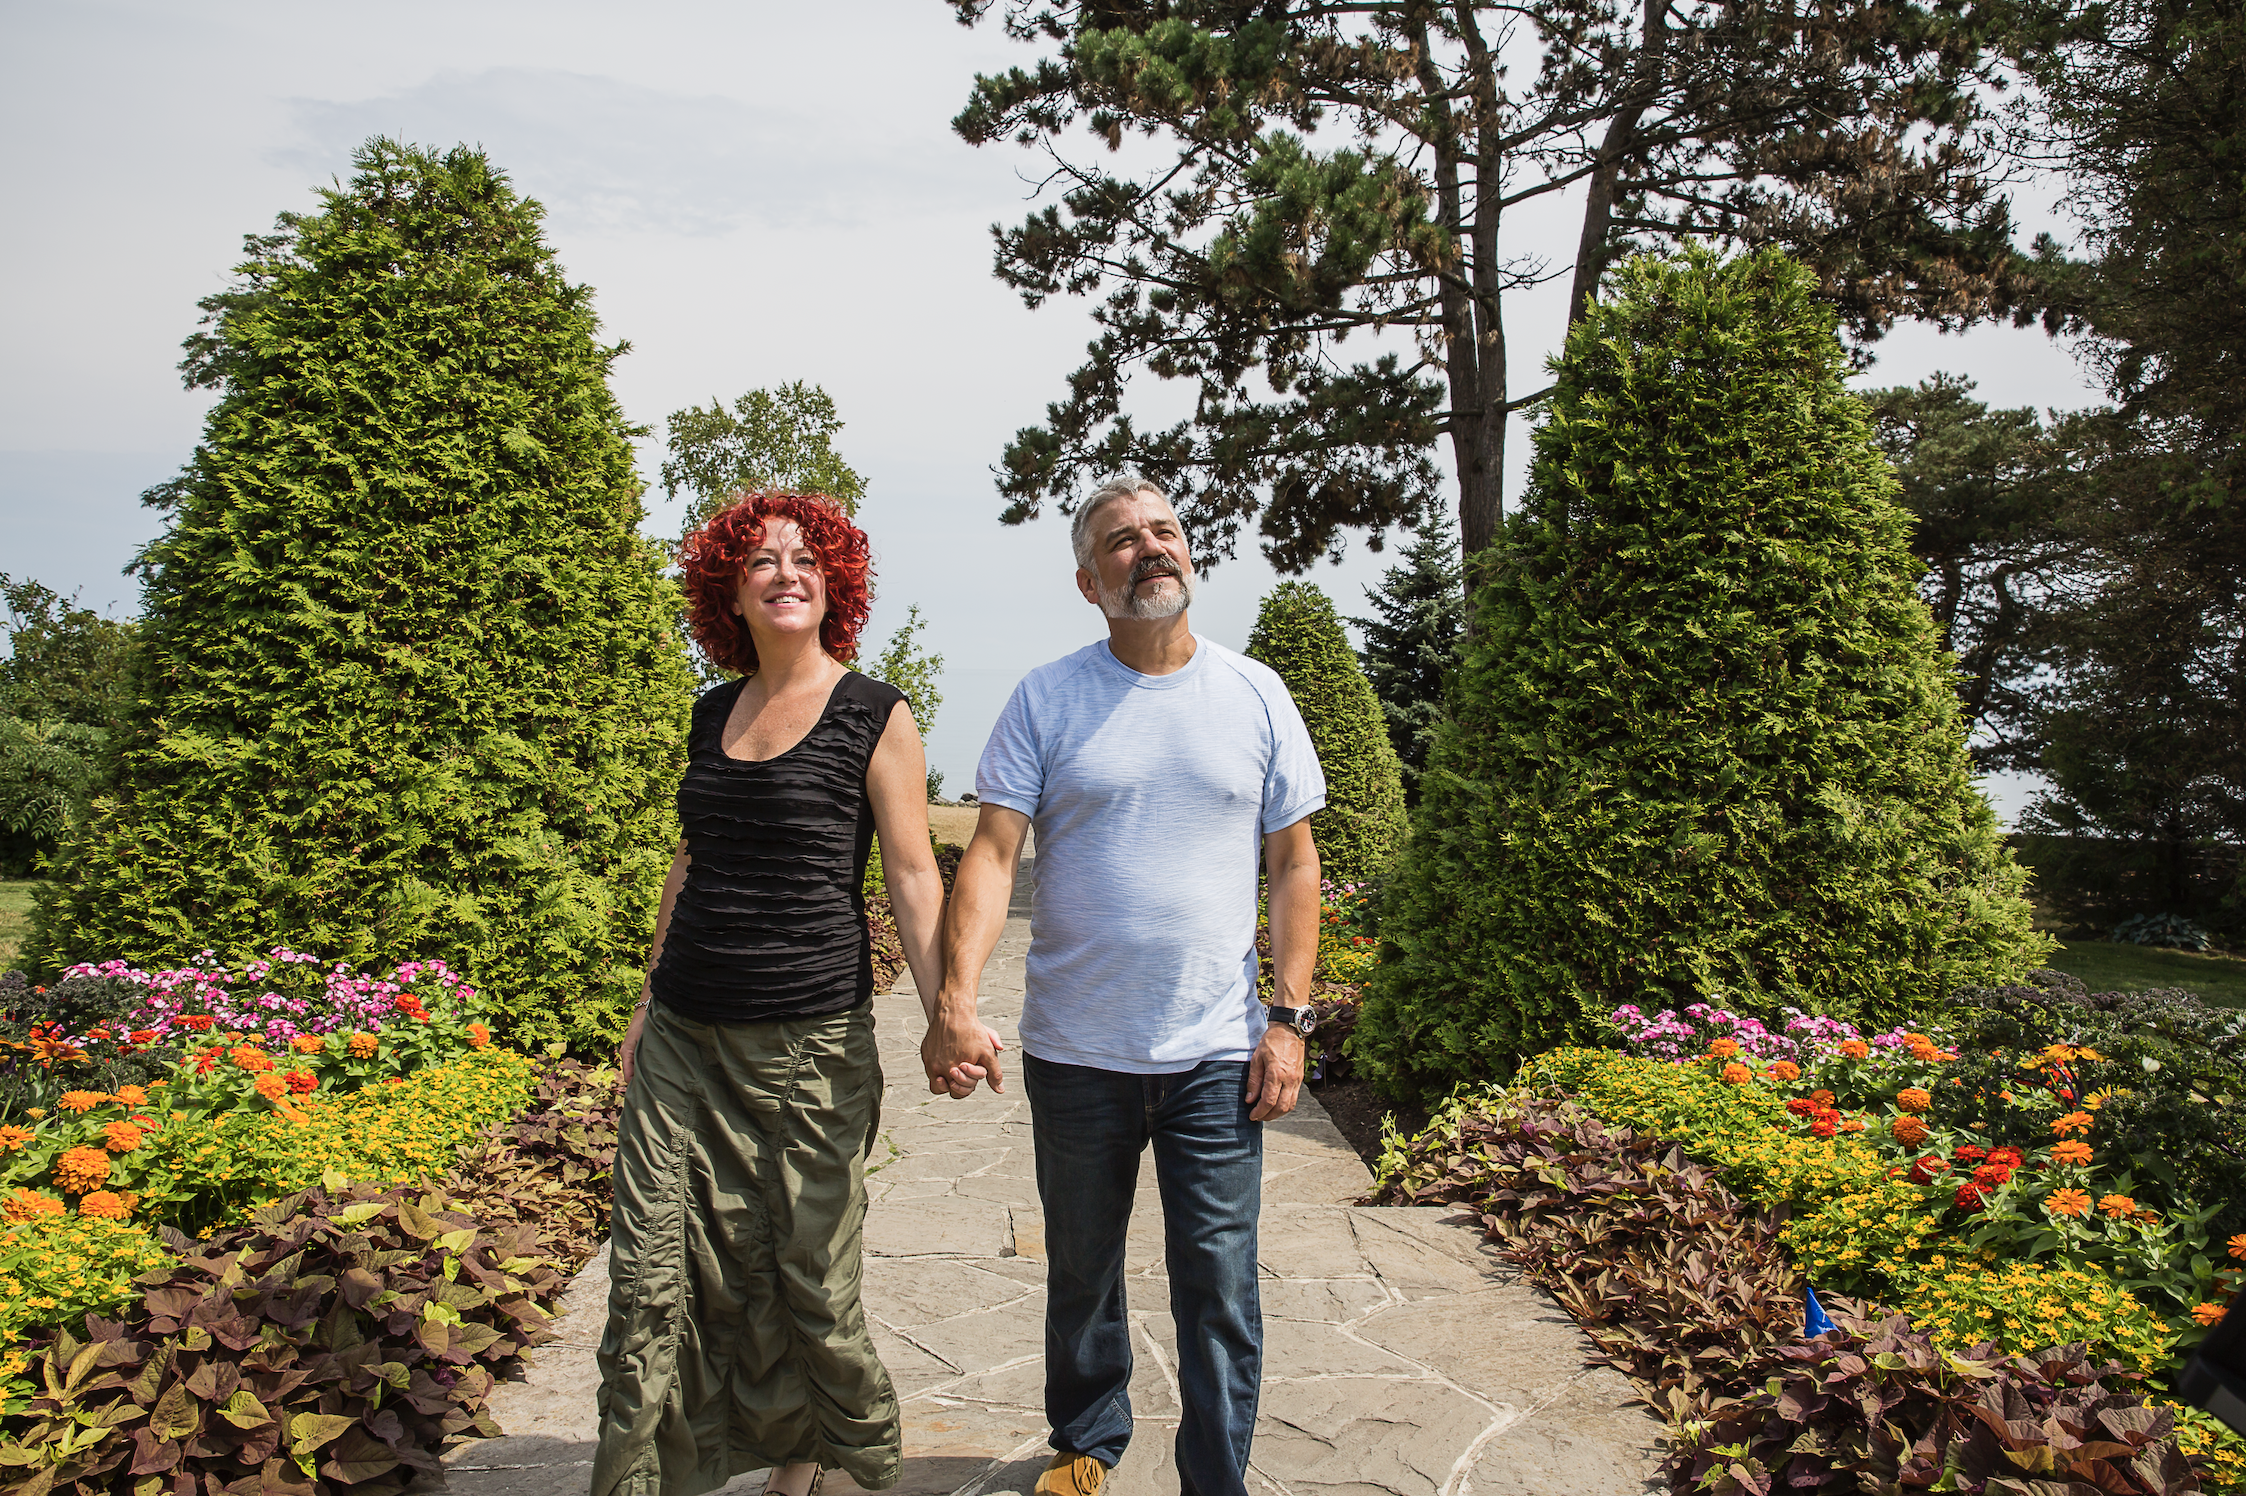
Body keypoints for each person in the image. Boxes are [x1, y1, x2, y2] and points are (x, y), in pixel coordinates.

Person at [923, 477, 1326, 1496]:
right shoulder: (1046, 696)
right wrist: (954, 1001)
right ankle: (1087, 1449)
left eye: (1162, 531)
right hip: (1074, 1050)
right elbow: (991, 853)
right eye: (1119, 540)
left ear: (1188, 554)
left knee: (1219, 1283)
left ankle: (1213, 1478)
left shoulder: (1254, 692)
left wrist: (1286, 1019)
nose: (1147, 548)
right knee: (1081, 1271)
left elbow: (1292, 863)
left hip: (1215, 1051)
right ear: (1085, 580)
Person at [595, 492, 978, 1496]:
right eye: (759, 559)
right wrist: (645, 1001)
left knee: (804, 1266)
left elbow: (909, 875)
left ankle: (801, 1458)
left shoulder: (874, 712)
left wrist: (947, 1016)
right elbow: (692, 856)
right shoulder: (711, 709)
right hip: (686, 1029)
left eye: (806, 557)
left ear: (834, 581)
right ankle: (646, 1471)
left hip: (809, 1038)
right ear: (729, 587)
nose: (784, 571)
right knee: (650, 1271)